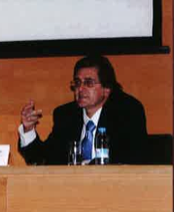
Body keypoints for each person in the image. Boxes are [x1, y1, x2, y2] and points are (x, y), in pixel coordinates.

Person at [18, 55, 147, 165]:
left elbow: (131, 159)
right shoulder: (66, 115)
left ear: (106, 89)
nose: (80, 89)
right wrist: (28, 129)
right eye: (78, 83)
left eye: (89, 83)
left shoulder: (127, 112)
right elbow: (44, 160)